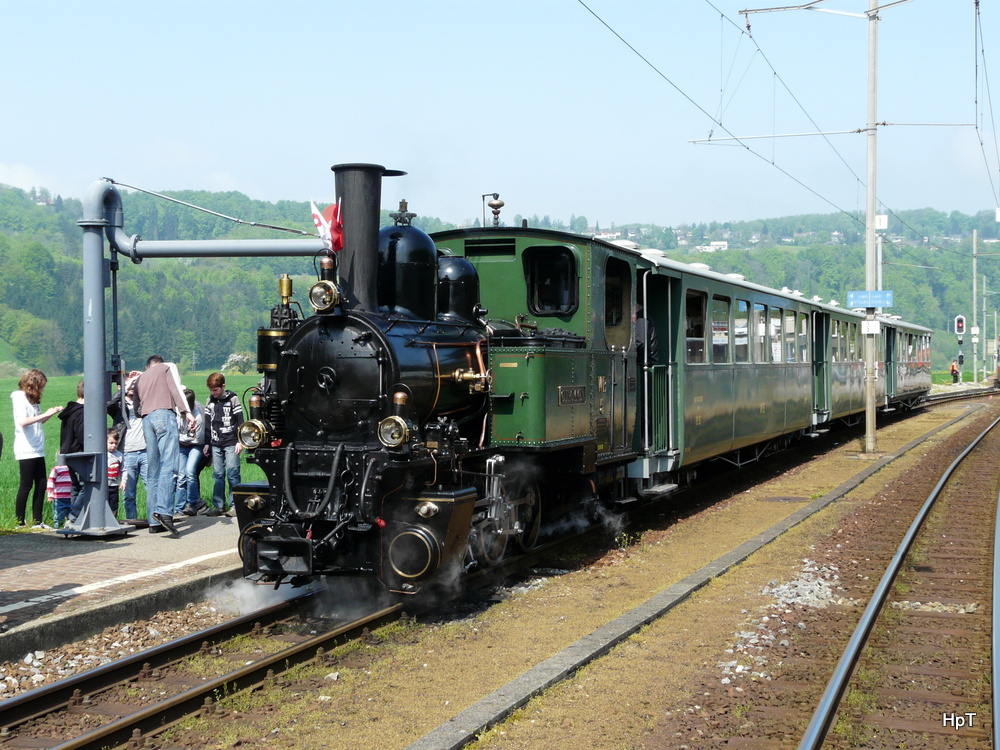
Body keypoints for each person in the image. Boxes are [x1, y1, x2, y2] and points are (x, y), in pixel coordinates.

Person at [136, 355, 196, 535]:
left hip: (147, 420)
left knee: (153, 470)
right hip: (164, 415)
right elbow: (175, 389)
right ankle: (164, 512)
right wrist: (187, 412)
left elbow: (136, 408)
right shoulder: (166, 368)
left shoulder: (140, 378)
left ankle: (153, 522)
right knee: (169, 465)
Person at [11, 369, 62, 529]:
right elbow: (22, 422)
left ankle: (37, 521)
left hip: (38, 447)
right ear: (32, 384)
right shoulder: (19, 397)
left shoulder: (33, 400)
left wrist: (50, 414)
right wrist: (45, 414)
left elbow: (37, 422)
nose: (42, 390)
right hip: (26, 447)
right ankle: (20, 521)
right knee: (26, 484)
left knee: (41, 484)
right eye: (41, 386)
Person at [203, 372, 243, 516]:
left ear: (223, 386)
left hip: (231, 442)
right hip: (215, 443)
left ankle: (235, 506)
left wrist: (240, 441)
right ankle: (218, 505)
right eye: (211, 390)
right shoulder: (210, 401)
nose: (213, 393)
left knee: (232, 473)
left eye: (216, 390)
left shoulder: (233, 399)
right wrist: (206, 442)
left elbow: (240, 421)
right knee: (218, 475)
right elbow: (208, 423)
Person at [120, 371, 148, 522]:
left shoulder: (142, 401)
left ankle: (154, 518)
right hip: (127, 452)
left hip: (145, 450)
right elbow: (111, 402)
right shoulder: (119, 405)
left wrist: (142, 376)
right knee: (129, 493)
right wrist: (128, 383)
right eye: (129, 385)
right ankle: (131, 520)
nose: (132, 387)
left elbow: (153, 385)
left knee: (151, 487)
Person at [176, 388, 207, 516]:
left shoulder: (198, 415)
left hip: (196, 445)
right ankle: (178, 509)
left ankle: (193, 503)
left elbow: (198, 439)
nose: (182, 415)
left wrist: (182, 437)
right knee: (180, 476)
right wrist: (183, 438)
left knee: (190, 471)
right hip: (182, 445)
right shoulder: (176, 411)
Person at [59, 381, 86, 522]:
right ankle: (75, 515)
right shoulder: (82, 412)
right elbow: (82, 435)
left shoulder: (69, 411)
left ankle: (74, 518)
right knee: (86, 486)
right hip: (79, 453)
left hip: (67, 452)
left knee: (75, 486)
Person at [46, 463, 73, 529]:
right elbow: (50, 481)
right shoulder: (57, 469)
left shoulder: (73, 468)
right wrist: (50, 495)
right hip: (59, 497)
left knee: (72, 516)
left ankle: (70, 527)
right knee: (58, 516)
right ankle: (57, 527)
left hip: (71, 497)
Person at [107, 428, 124, 517]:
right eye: (111, 443)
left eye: (116, 443)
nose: (113, 446)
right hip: (104, 486)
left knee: (114, 504)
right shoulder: (103, 454)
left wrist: (123, 481)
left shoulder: (119, 455)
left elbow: (123, 469)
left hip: (114, 486)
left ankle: (113, 519)